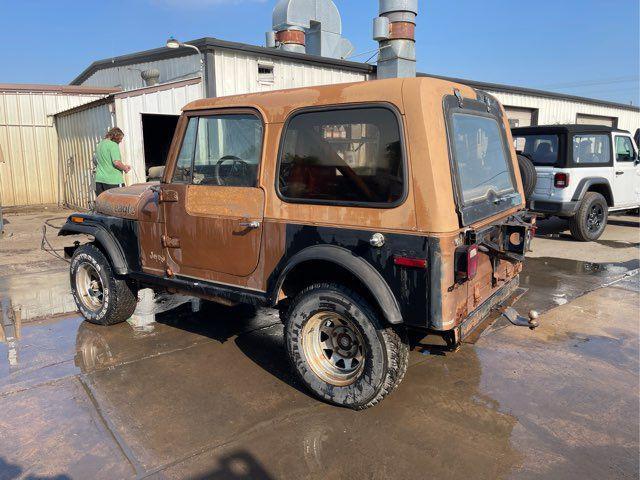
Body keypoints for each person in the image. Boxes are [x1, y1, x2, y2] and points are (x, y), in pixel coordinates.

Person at [94, 127, 131, 196]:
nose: (121, 141)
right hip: (113, 181)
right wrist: (125, 168)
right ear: (116, 136)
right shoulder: (113, 145)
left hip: (99, 180)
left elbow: (95, 161)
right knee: (120, 203)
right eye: (120, 138)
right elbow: (116, 162)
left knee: (103, 204)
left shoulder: (100, 145)